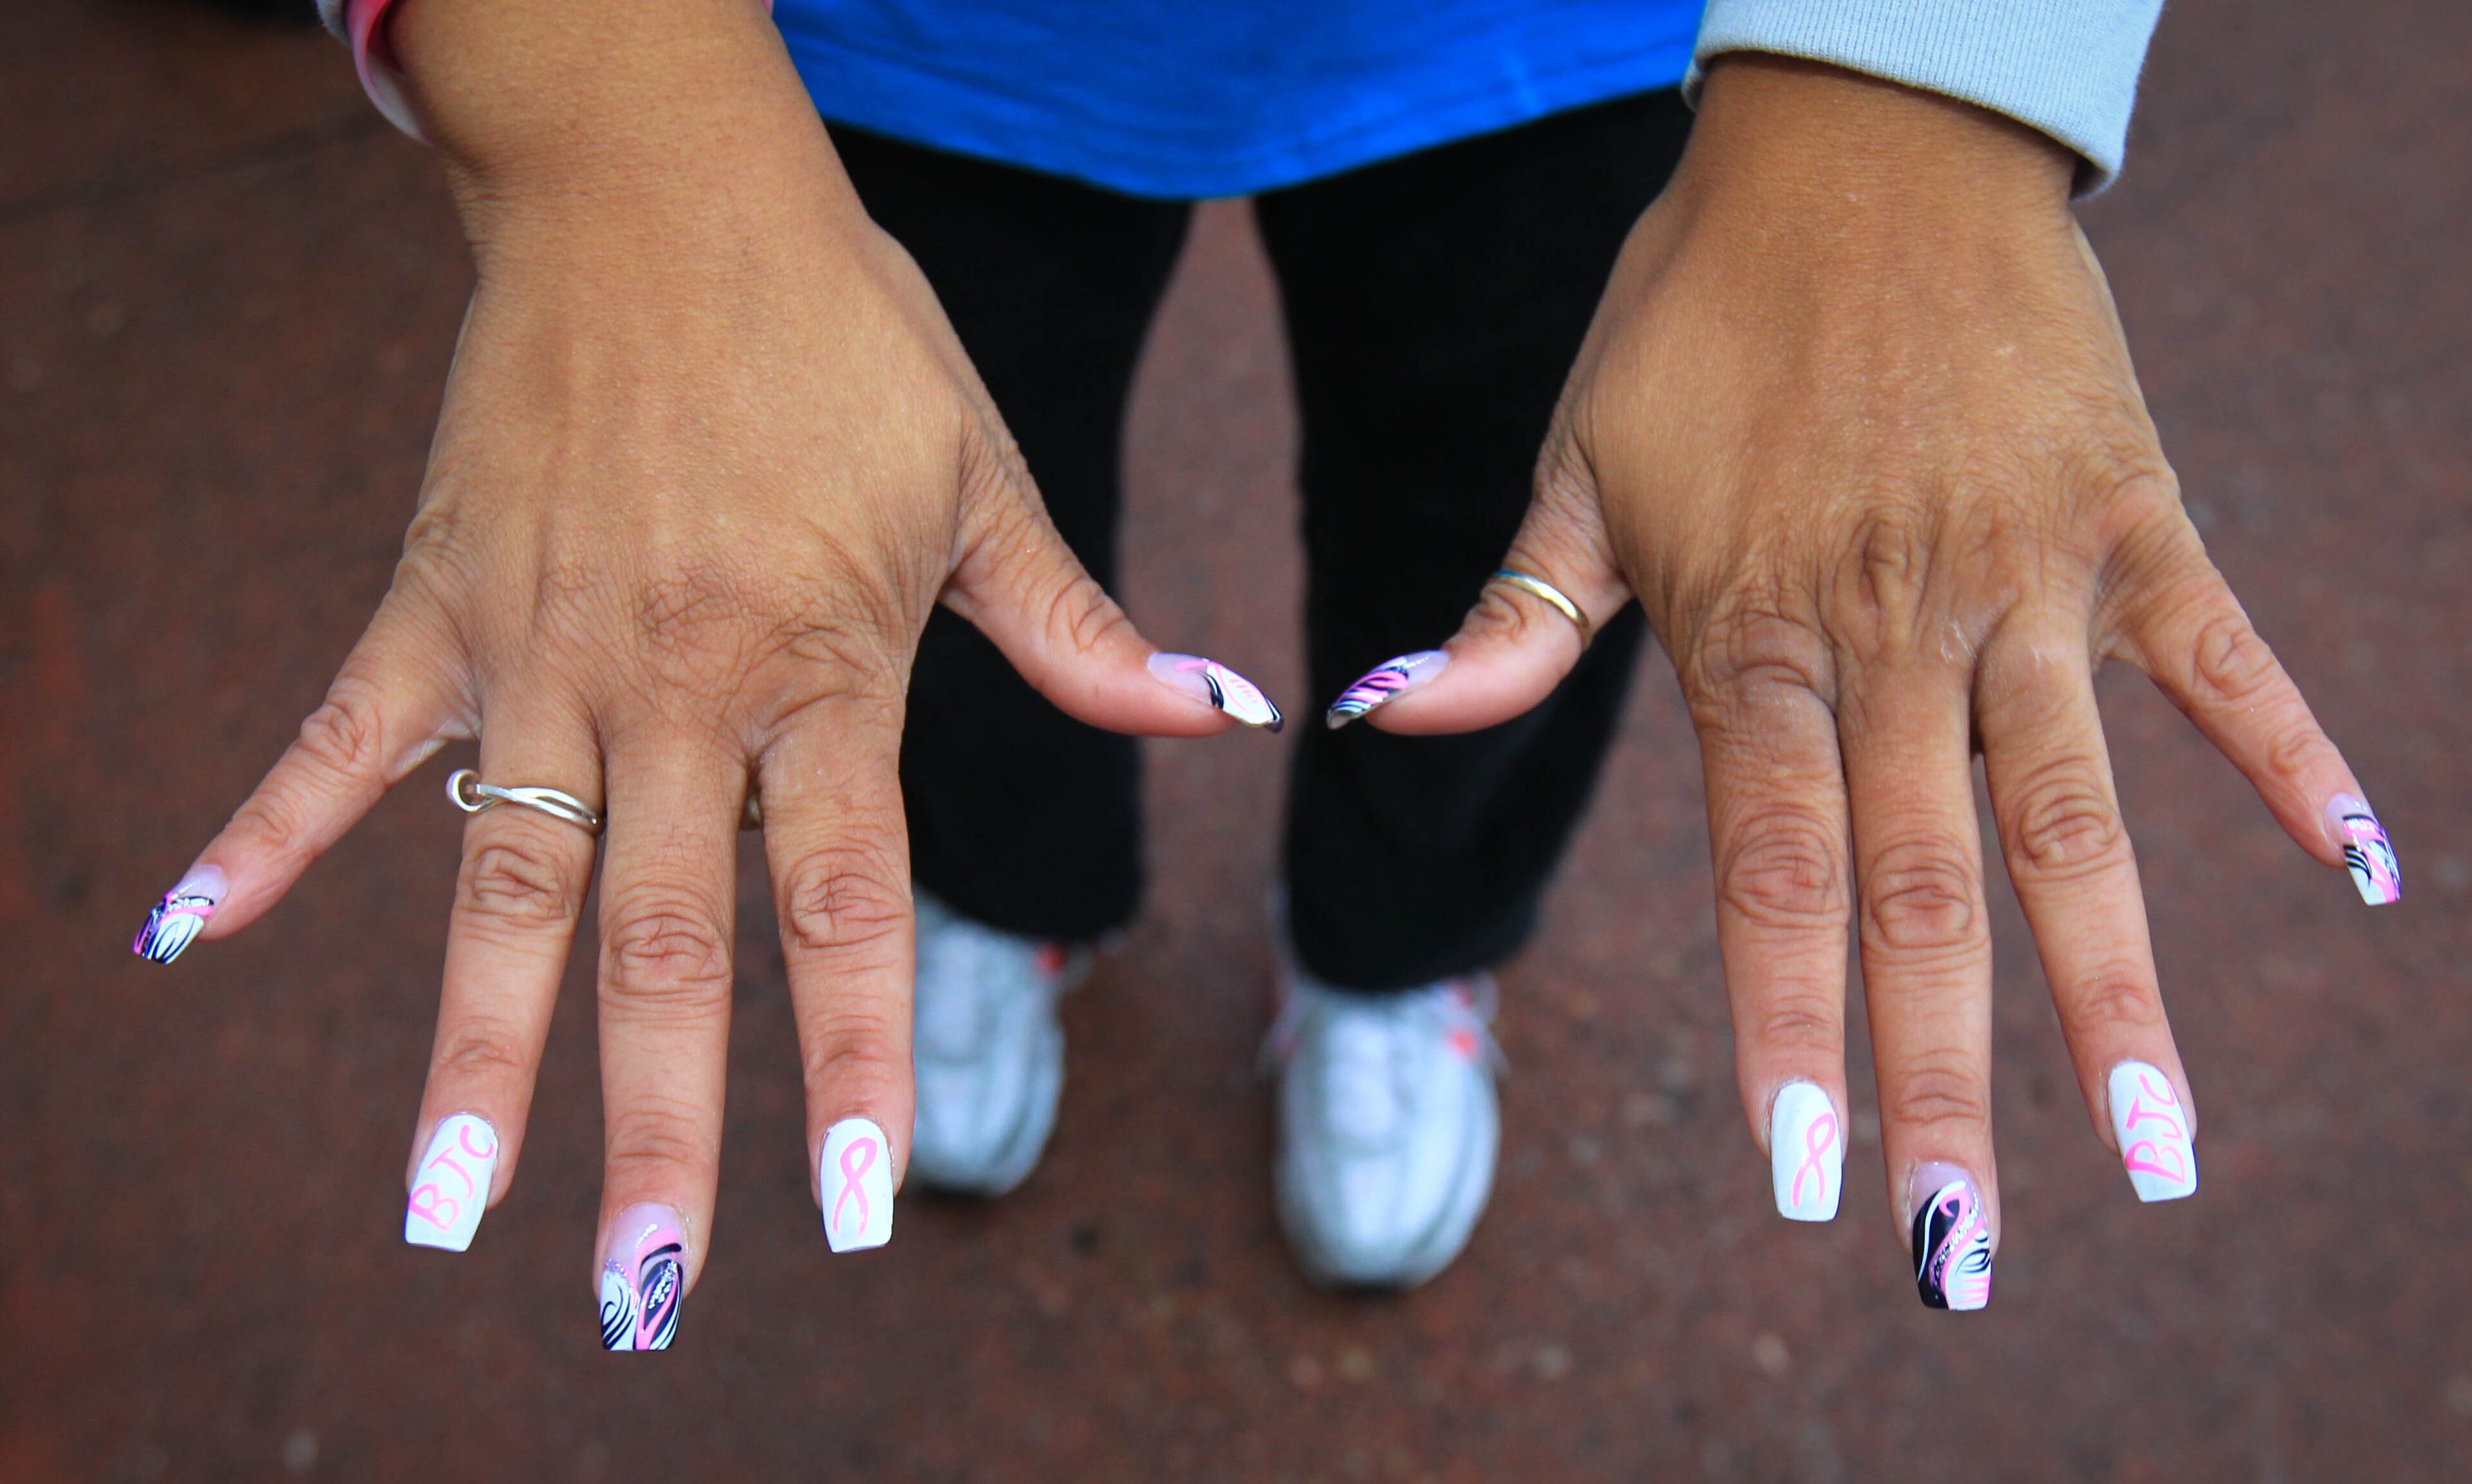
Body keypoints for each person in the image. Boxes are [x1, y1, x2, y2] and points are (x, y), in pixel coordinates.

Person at [134, 0, 2400, 1345]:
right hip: (847, 35)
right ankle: (1004, 895)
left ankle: (1398, 953)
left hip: (1586, 25)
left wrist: (1925, 74)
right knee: (889, 565)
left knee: (1522, 560)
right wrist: (595, 95)